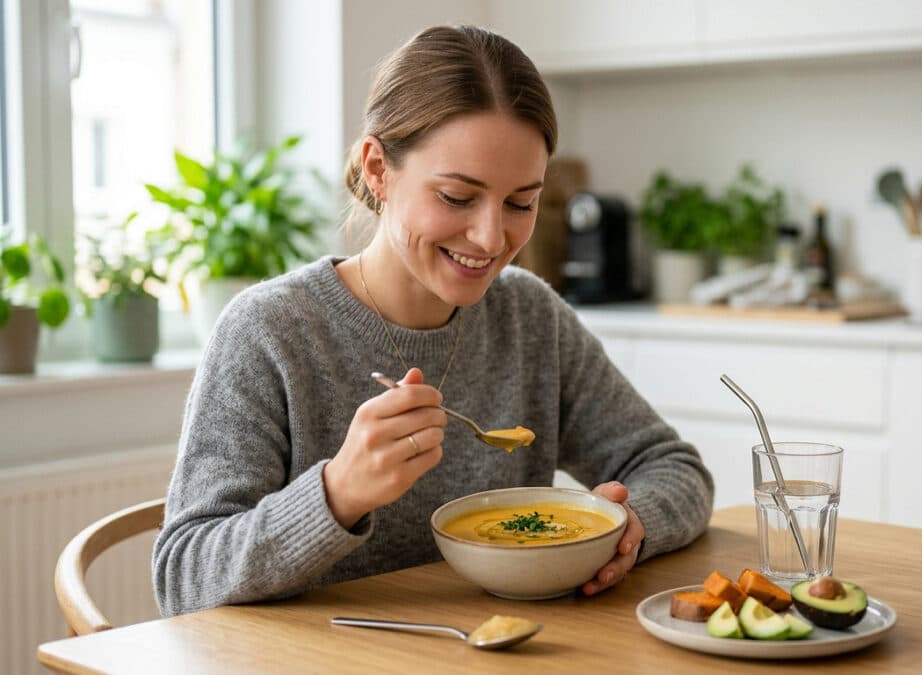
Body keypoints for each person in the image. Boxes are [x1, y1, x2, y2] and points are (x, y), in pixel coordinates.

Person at [152, 24, 714, 617]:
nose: (491, 238)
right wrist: (338, 493)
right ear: (377, 169)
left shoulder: (529, 316)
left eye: (521, 202)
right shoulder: (270, 331)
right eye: (456, 197)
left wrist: (629, 526)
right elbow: (183, 577)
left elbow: (673, 468)